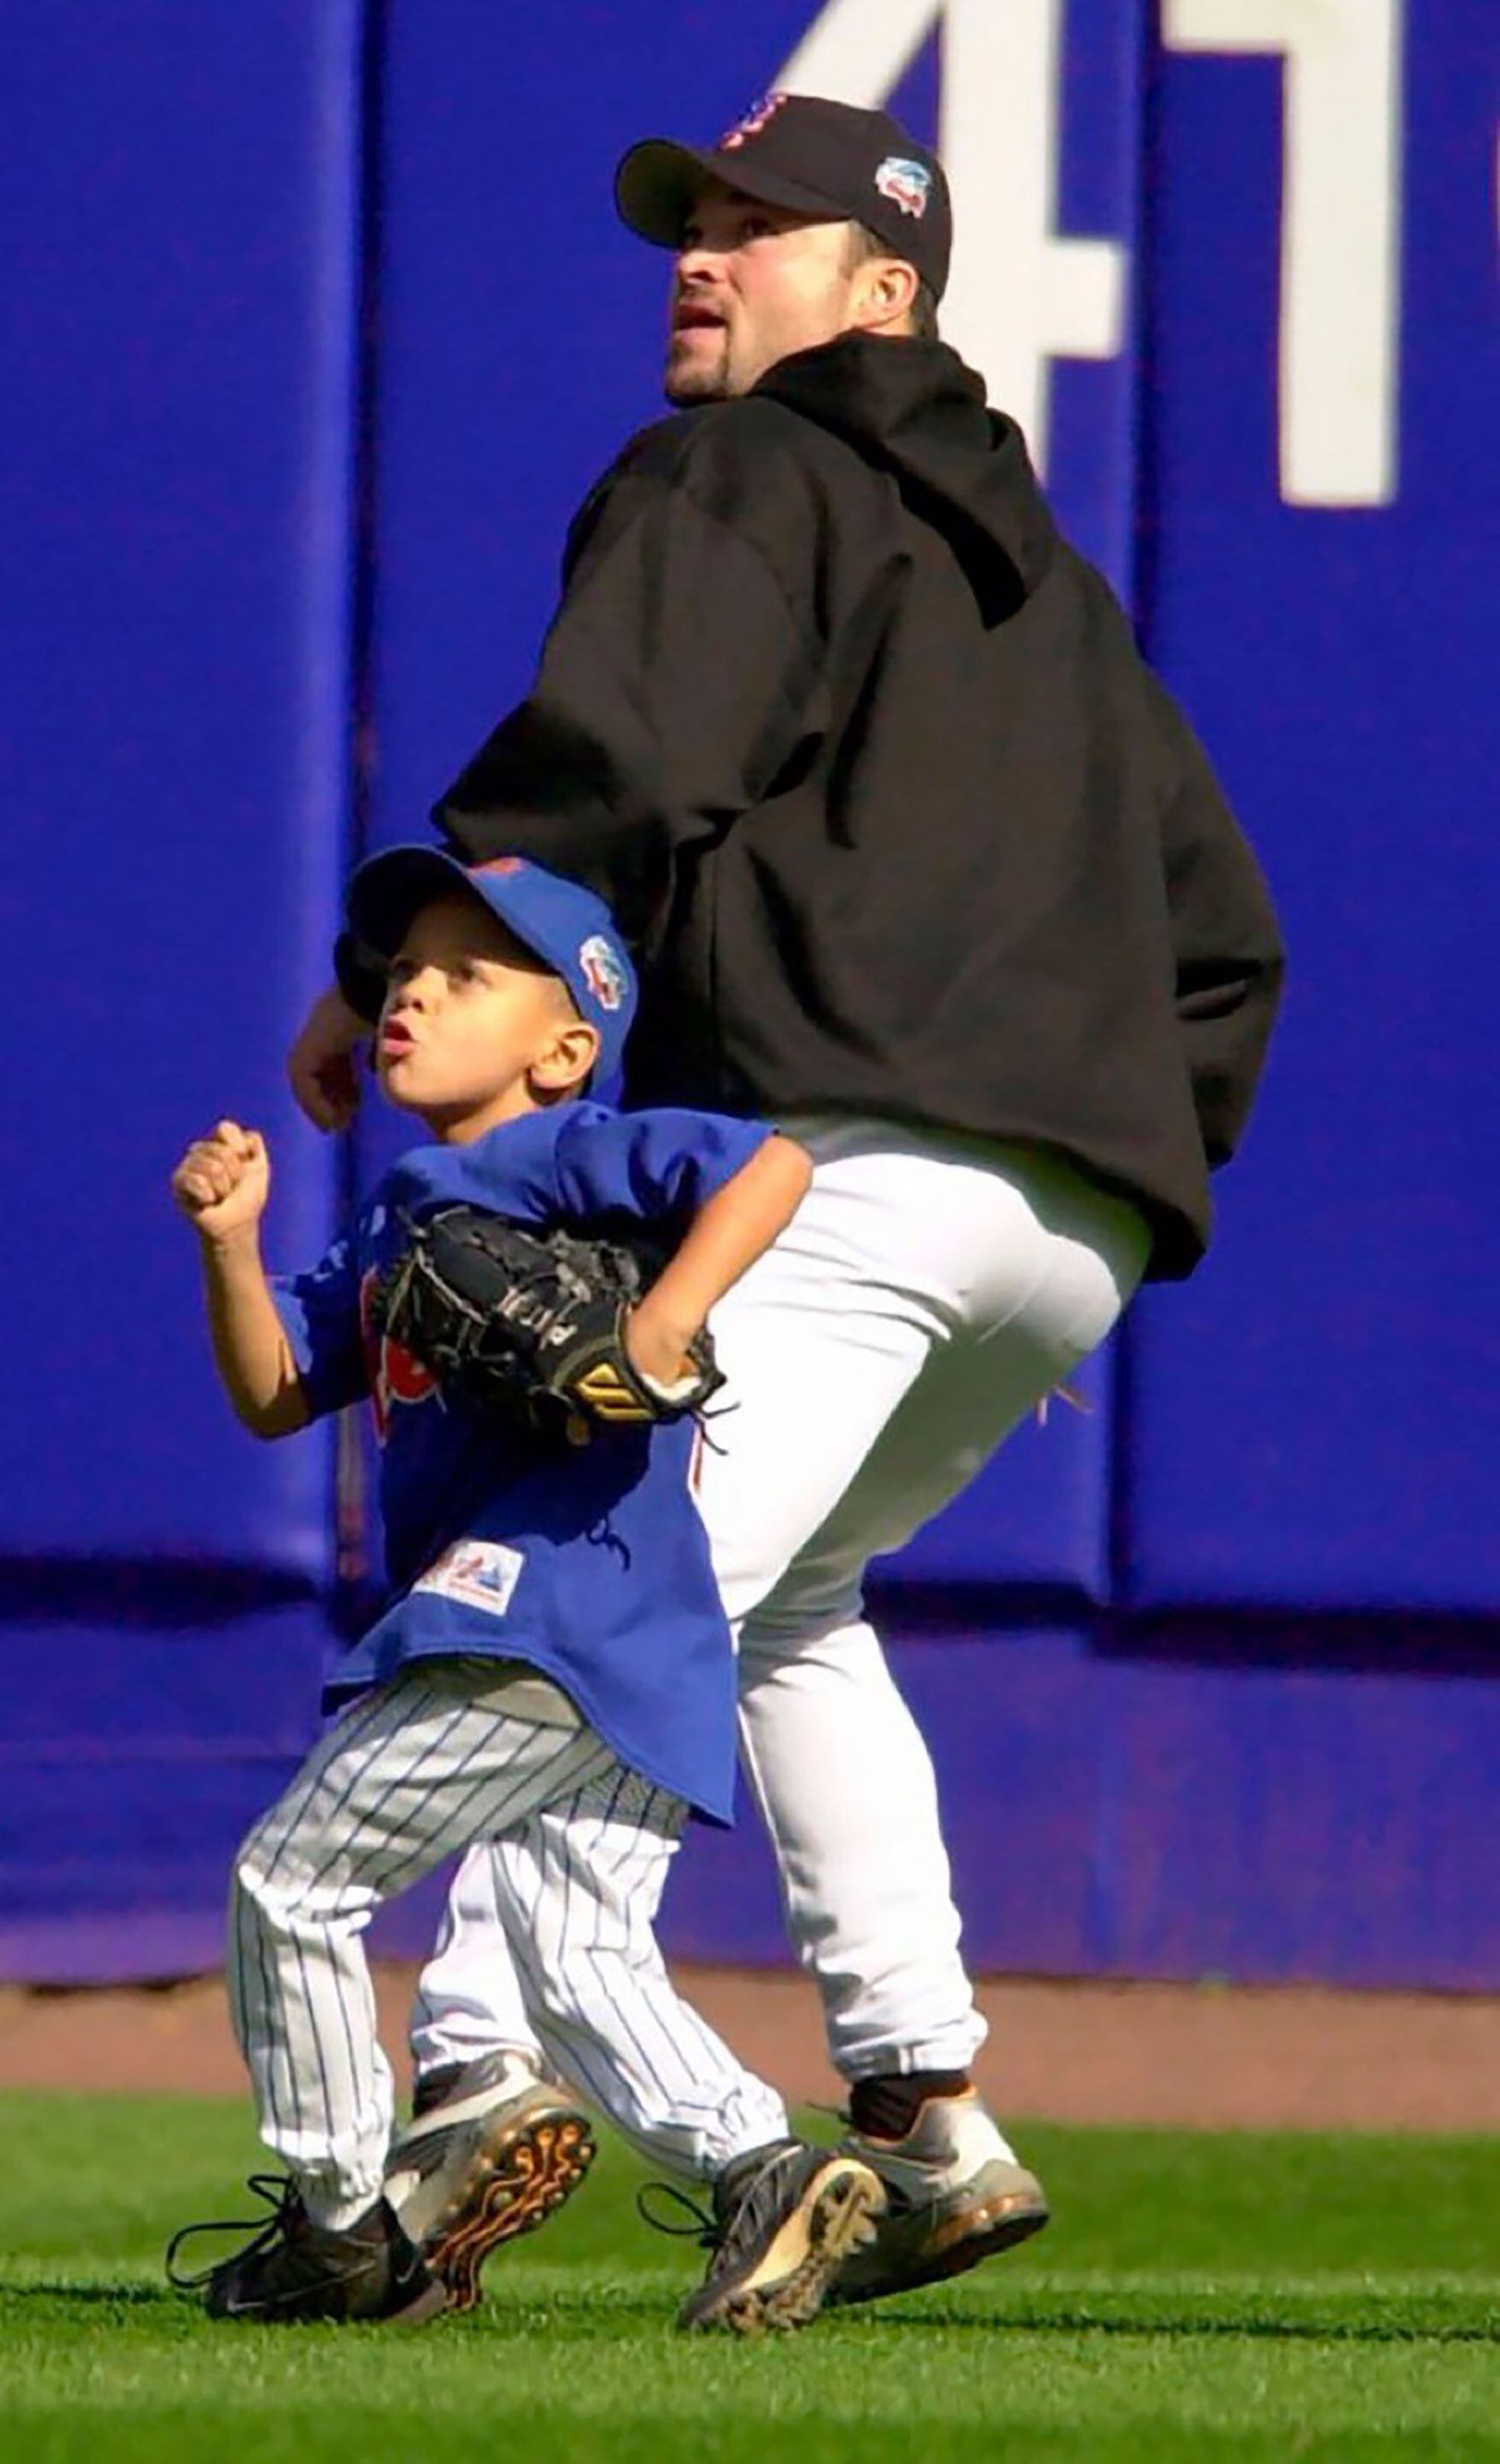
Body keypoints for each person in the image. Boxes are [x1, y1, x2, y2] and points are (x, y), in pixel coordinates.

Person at [289, 94, 1285, 2311]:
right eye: (697, 222)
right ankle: (927, 2103)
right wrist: (1095, 1176)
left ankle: (471, 2074)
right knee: (790, 1608)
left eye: (766, 227)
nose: (707, 255)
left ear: (887, 290)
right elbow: (1226, 941)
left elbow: (620, 754)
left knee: (587, 1606)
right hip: (1054, 1238)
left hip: (827, 1184)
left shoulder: (739, 472)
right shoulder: (1064, 599)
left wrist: (414, 971)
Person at [166, 848, 888, 2336]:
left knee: (291, 1882)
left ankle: (336, 2217)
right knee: (572, 1952)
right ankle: (762, 2175)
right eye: (406, 971)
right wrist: (232, 1247)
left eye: (469, 974)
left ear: (564, 1048)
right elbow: (278, 1390)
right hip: (640, 1638)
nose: (415, 991)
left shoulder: (559, 1155)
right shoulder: (405, 1207)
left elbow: (772, 1165)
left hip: (537, 1611)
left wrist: (670, 1322)